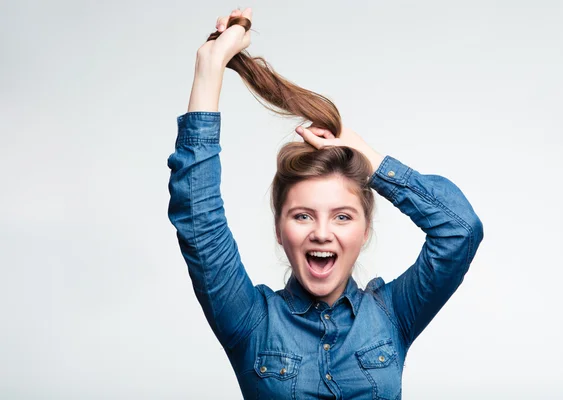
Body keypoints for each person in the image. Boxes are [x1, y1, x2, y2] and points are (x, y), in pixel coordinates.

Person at [167, 7, 484, 399]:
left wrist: (369, 158)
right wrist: (210, 67)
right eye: (302, 215)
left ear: (365, 229)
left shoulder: (392, 316)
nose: (321, 233)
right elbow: (199, 221)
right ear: (279, 230)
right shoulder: (251, 322)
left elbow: (461, 231)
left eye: (342, 216)